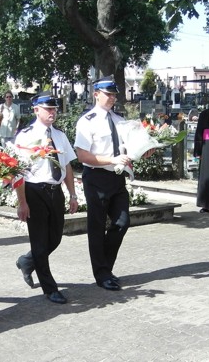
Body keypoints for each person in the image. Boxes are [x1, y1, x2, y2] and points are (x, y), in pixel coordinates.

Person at [73, 76, 153, 291]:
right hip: (97, 178)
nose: (112, 98)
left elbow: (131, 149)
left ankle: (105, 267)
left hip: (116, 177)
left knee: (122, 222)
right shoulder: (87, 121)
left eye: (114, 95)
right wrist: (111, 160)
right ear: (96, 94)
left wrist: (146, 151)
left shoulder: (119, 120)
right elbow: (82, 156)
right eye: (108, 94)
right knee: (97, 227)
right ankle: (102, 274)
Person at [14, 92, 79, 304]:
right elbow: (18, 172)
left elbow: (67, 165)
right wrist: (22, 202)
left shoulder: (59, 135)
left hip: (55, 191)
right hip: (34, 191)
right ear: (36, 110)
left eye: (54, 109)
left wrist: (72, 194)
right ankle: (49, 288)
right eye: (48, 109)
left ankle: (27, 260)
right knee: (40, 242)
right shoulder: (25, 135)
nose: (52, 112)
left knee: (55, 238)